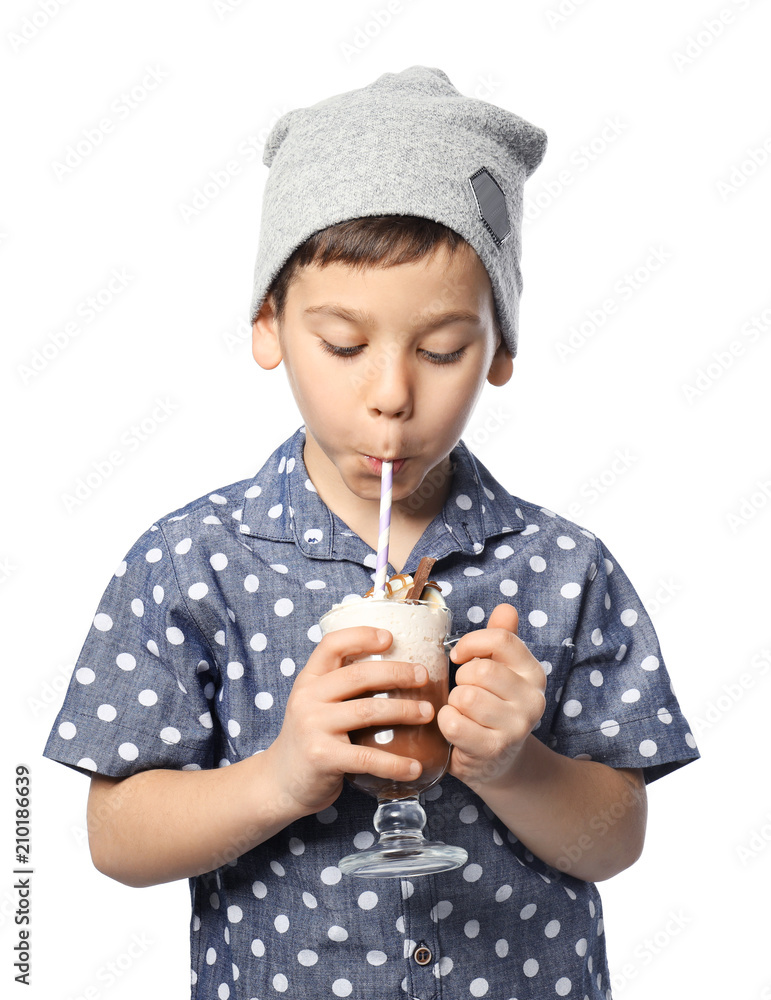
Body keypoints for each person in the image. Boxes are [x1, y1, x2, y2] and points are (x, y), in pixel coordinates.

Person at [44, 66, 699, 1000]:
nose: (390, 393)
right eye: (343, 344)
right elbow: (117, 842)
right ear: (269, 325)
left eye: (441, 350)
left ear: (500, 348)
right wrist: (280, 776)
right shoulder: (193, 561)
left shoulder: (564, 569)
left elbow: (615, 843)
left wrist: (516, 768)